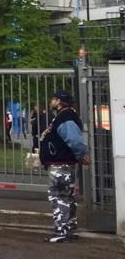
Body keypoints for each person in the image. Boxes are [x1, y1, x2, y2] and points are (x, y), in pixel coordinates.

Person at [40, 90, 90, 243]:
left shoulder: (65, 117)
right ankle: (68, 228)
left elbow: (74, 140)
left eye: (53, 99)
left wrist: (81, 154)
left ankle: (62, 231)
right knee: (66, 196)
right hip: (63, 162)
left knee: (59, 196)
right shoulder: (66, 116)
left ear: (59, 101)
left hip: (61, 164)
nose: (51, 102)